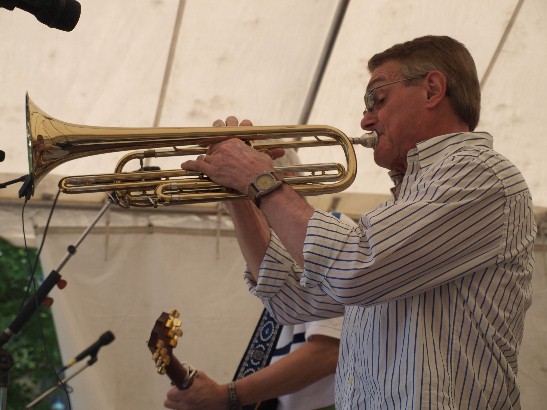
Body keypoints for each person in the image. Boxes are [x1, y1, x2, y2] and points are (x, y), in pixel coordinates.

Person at [179, 35, 536, 408]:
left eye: (377, 100)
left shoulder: (479, 173)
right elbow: (292, 300)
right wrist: (238, 194)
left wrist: (261, 180)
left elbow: (354, 268)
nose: (366, 119)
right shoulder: (405, 204)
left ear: (432, 89)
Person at [164, 150, 345, 410]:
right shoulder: (272, 252)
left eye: (241, 186)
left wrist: (228, 395)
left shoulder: (330, 232)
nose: (232, 204)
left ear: (287, 181)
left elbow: (329, 352)